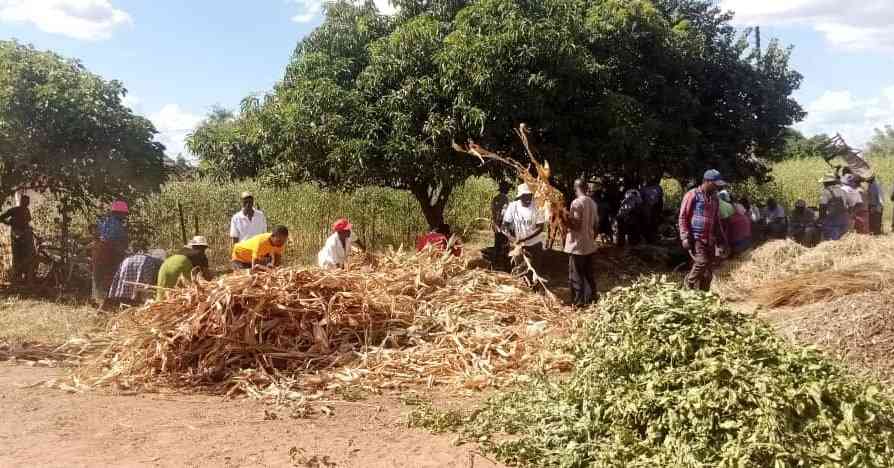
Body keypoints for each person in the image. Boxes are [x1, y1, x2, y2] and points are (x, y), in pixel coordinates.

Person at [678, 170, 727, 291]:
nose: (717, 187)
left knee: (708, 273)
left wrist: (722, 240)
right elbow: (683, 216)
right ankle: (688, 283)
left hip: (709, 240)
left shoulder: (715, 199)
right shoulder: (692, 195)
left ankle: (703, 295)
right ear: (707, 181)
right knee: (702, 262)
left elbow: (716, 222)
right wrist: (684, 237)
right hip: (696, 238)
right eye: (715, 184)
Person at [502, 183, 546, 286]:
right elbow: (505, 225)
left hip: (535, 244)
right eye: (525, 196)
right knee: (520, 270)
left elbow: (540, 227)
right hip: (519, 245)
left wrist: (524, 239)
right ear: (520, 196)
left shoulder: (537, 206)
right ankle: (522, 289)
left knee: (534, 271)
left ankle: (535, 290)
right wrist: (511, 238)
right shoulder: (513, 206)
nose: (528, 198)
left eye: (529, 195)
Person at [564, 179, 599, 306]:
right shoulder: (593, 203)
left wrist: (564, 218)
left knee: (576, 275)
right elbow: (596, 225)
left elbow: (576, 225)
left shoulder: (577, 203)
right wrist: (591, 238)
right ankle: (592, 298)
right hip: (589, 245)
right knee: (588, 273)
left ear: (575, 188)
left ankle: (578, 302)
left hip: (577, 246)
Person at [93, 200, 130, 303]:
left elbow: (98, 235)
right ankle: (108, 299)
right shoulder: (117, 225)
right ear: (118, 213)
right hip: (110, 252)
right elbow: (116, 241)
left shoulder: (104, 221)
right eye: (123, 214)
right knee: (112, 274)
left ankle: (97, 298)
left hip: (99, 250)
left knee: (98, 275)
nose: (124, 216)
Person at [156, 237, 212, 301]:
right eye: (204, 248)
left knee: (161, 295)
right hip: (179, 267)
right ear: (203, 247)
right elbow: (207, 275)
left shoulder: (183, 250)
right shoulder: (201, 254)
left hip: (164, 266)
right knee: (178, 296)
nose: (204, 250)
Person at [0, 195, 34, 284]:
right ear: (22, 202)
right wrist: (9, 223)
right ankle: (17, 278)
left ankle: (23, 278)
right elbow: (2, 217)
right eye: (25, 202)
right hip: (17, 238)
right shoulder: (15, 210)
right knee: (18, 257)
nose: (27, 203)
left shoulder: (26, 211)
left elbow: (27, 223)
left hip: (25, 238)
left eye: (27, 202)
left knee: (24, 257)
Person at [818, 174, 849, 241]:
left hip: (833, 219)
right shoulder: (842, 190)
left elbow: (822, 207)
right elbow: (847, 204)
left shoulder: (825, 192)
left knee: (833, 240)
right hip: (844, 217)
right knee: (844, 239)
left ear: (826, 183)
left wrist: (821, 219)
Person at [490, 181, 511, 270]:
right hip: (502, 225)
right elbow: (504, 213)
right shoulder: (505, 199)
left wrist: (496, 223)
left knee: (497, 244)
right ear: (506, 189)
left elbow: (493, 211)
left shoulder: (495, 198)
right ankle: (505, 266)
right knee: (505, 245)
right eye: (508, 189)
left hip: (496, 225)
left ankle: (494, 264)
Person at [640, 178, 664, 243]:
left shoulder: (658, 188)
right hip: (646, 208)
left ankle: (653, 238)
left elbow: (660, 199)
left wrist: (660, 209)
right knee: (647, 223)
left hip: (655, 208)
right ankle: (648, 238)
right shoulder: (643, 188)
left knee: (654, 223)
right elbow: (641, 200)